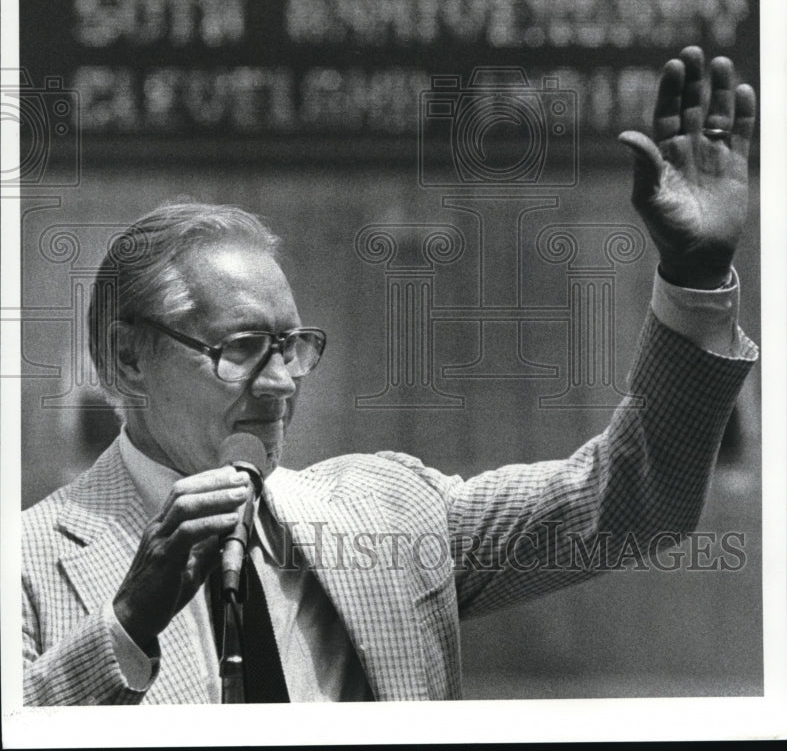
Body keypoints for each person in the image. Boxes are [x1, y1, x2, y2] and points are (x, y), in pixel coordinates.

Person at [22, 46, 758, 704]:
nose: (280, 383)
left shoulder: (389, 515)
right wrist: (126, 627)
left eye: (293, 346)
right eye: (243, 347)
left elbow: (627, 504)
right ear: (127, 358)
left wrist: (694, 274)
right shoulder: (25, 566)